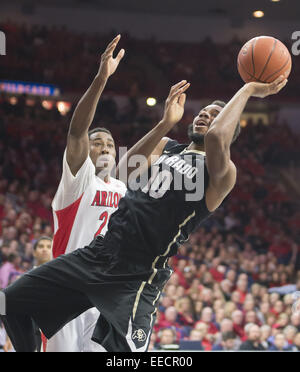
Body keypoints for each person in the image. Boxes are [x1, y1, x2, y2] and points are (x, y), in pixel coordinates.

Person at [0, 68, 287, 351]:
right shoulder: (168, 147)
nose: (204, 116)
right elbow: (124, 170)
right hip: (99, 254)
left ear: (229, 132)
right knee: (10, 303)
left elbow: (216, 139)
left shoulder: (222, 172)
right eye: (203, 112)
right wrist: (164, 122)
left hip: (137, 275)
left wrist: (249, 89)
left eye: (215, 116)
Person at [46, 35, 127, 352]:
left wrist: (164, 125)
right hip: (64, 287)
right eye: (98, 143)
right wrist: (101, 78)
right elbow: (77, 130)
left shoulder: (120, 187)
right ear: (86, 151)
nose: (105, 147)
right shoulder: (79, 179)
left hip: (101, 291)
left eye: (110, 144)